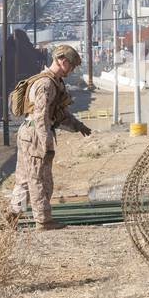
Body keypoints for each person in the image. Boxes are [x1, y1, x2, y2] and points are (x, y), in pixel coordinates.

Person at [7, 44, 92, 231]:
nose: (73, 69)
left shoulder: (54, 83)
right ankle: (43, 221)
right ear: (62, 61)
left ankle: (13, 213)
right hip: (36, 134)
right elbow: (41, 116)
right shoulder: (46, 84)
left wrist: (78, 126)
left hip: (29, 133)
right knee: (39, 179)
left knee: (24, 180)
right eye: (72, 65)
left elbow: (59, 113)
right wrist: (46, 144)